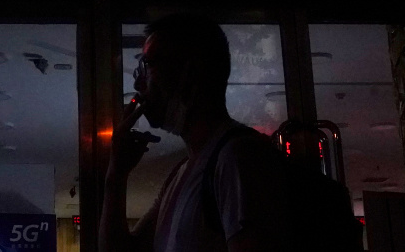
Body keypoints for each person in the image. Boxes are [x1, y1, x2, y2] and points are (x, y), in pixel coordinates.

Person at [99, 14, 288, 252]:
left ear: (190, 72)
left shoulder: (239, 157)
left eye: (148, 65)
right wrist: (115, 176)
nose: (139, 84)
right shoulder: (182, 172)